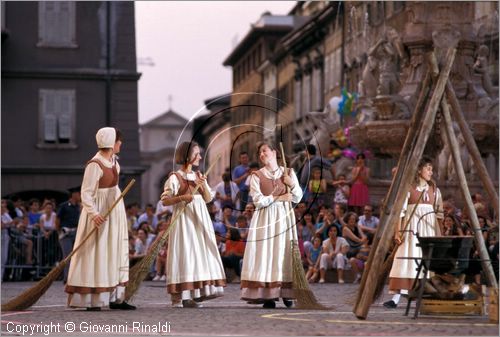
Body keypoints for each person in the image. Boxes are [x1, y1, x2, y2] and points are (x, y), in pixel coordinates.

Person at [65, 127, 135, 311]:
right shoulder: (94, 165)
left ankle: (116, 297)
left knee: (115, 251)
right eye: (119, 141)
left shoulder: (114, 162)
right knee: (98, 253)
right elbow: (86, 194)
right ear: (112, 142)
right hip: (100, 213)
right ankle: (93, 299)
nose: (121, 144)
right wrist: (94, 214)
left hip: (114, 213)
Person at [161, 141, 226, 308]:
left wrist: (203, 184)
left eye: (199, 153)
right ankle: (179, 296)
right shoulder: (176, 177)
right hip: (184, 222)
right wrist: (182, 198)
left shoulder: (198, 175)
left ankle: (194, 294)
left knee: (198, 255)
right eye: (196, 153)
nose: (199, 157)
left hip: (200, 220)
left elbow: (209, 199)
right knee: (186, 254)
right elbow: (165, 200)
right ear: (187, 155)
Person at [240, 141, 303, 309]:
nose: (261, 155)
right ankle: (268, 295)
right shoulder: (256, 176)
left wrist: (291, 184)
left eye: (264, 151)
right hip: (265, 219)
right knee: (267, 254)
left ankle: (286, 293)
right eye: (259, 153)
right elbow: (258, 201)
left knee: (283, 253)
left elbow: (298, 197)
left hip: (284, 219)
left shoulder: (288, 172)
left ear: (274, 152)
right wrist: (279, 198)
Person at [383, 157, 443, 309]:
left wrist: (439, 234)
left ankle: (424, 295)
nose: (431, 172)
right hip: (411, 229)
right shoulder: (409, 188)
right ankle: (396, 298)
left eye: (431, 169)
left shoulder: (435, 190)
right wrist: (397, 232)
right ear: (419, 170)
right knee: (407, 259)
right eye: (428, 168)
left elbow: (439, 214)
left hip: (429, 231)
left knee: (425, 262)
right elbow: (400, 213)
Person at [56, 187, 81, 283]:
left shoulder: (79, 207)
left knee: (77, 256)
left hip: (76, 233)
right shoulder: (64, 206)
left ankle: (75, 277)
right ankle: (67, 278)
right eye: (78, 194)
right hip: (66, 233)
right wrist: (59, 231)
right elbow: (57, 220)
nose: (80, 196)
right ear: (74, 194)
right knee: (67, 256)